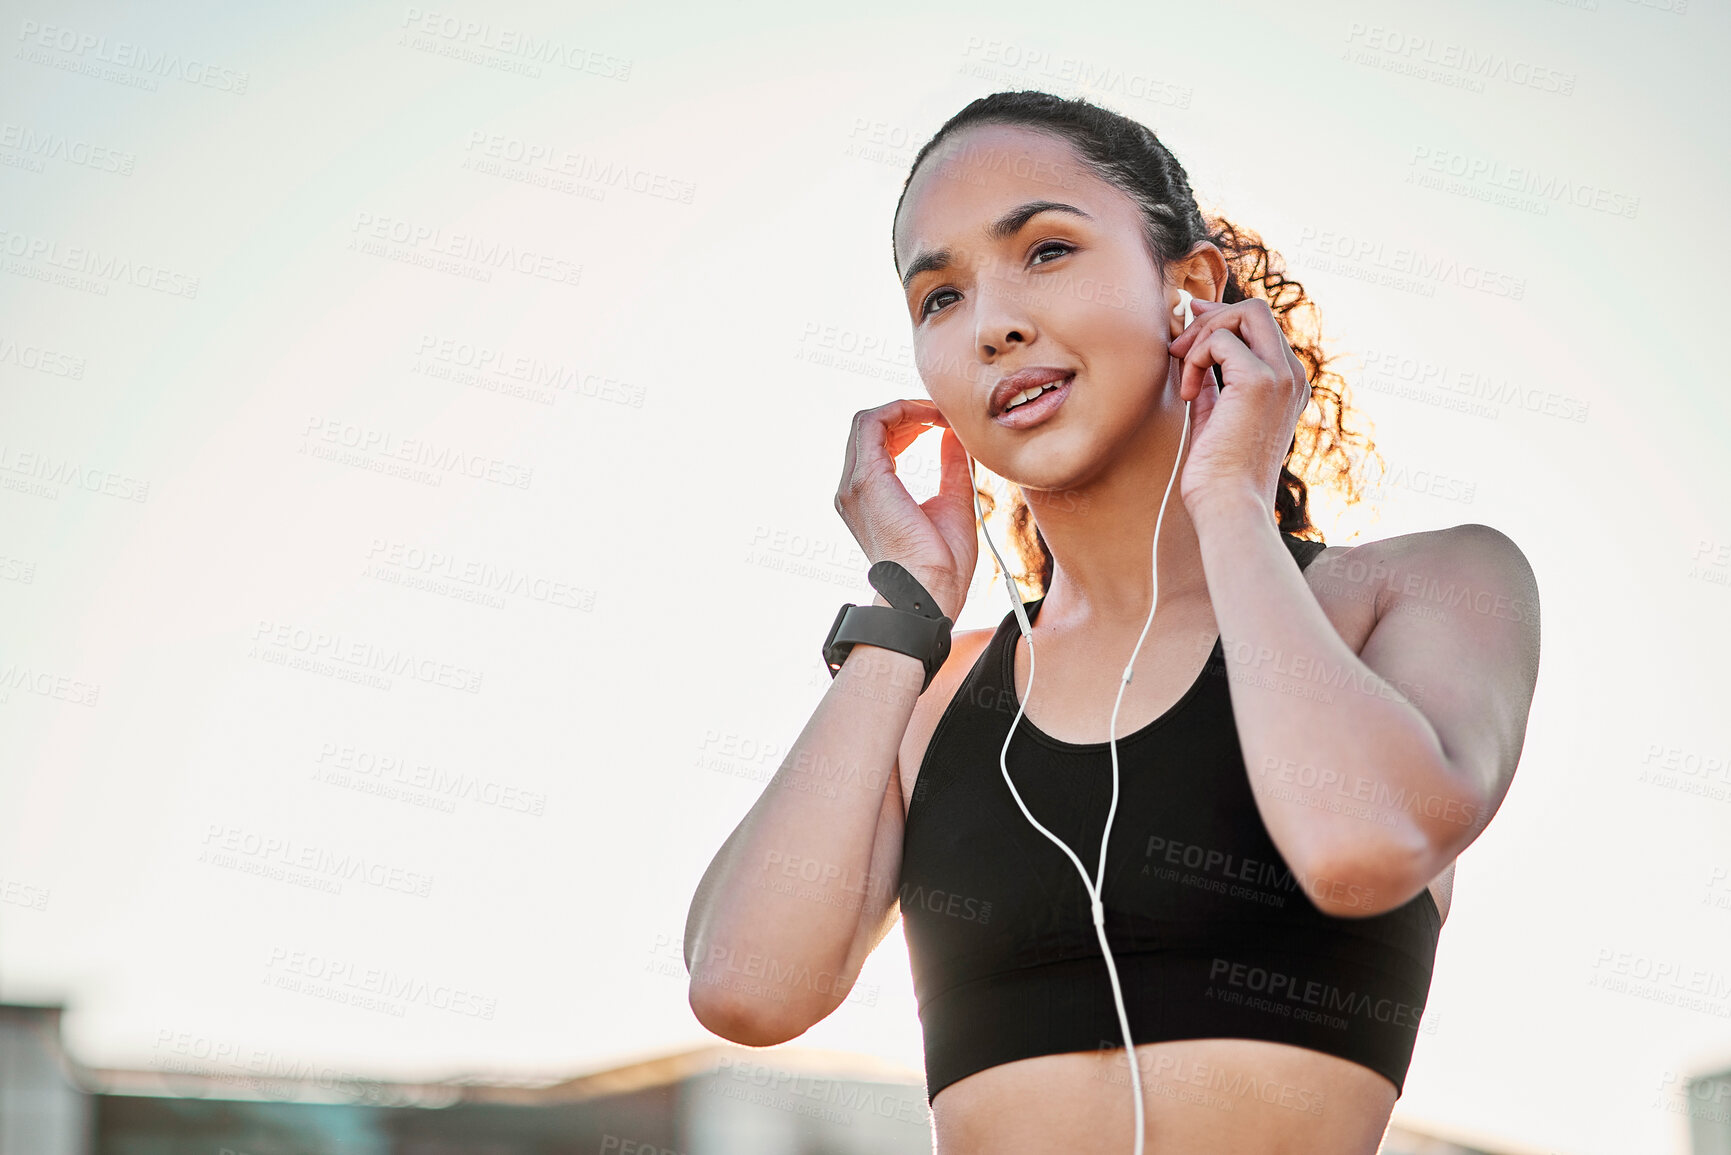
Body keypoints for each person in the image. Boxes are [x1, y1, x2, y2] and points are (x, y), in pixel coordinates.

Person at [684, 90, 1541, 1155]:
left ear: (1190, 289)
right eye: (939, 297)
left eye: (1045, 250)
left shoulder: (1425, 591)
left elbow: (1359, 846)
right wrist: (901, 607)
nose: (992, 321)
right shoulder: (931, 693)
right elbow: (745, 991)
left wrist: (1229, 494)